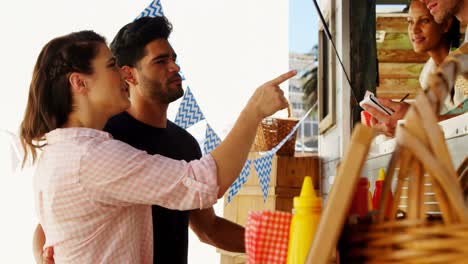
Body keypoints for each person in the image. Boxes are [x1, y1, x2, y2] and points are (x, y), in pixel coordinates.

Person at [22, 29, 294, 263]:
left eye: (174, 59)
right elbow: (206, 181)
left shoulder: (65, 149)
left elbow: (207, 227)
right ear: (80, 82)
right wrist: (254, 110)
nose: (175, 67)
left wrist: (281, 243)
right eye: (161, 61)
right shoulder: (96, 152)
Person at [363, 0, 467, 137]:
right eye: (410, 22)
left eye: (424, 21)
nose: (414, 29)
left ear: (446, 24)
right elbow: (442, 119)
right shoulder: (427, 74)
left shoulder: (462, 63)